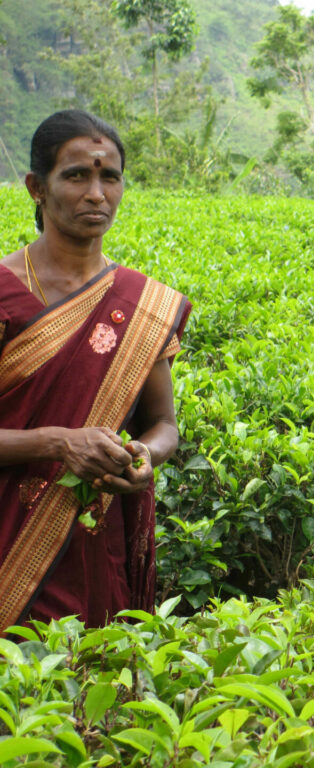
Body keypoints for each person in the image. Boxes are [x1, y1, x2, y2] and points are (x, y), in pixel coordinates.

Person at [0, 110, 190, 629]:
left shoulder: (140, 303)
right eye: (77, 175)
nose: (96, 193)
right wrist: (58, 443)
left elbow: (164, 426)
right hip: (5, 537)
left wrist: (142, 456)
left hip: (90, 546)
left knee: (95, 696)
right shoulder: (3, 294)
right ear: (37, 187)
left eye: (110, 177)